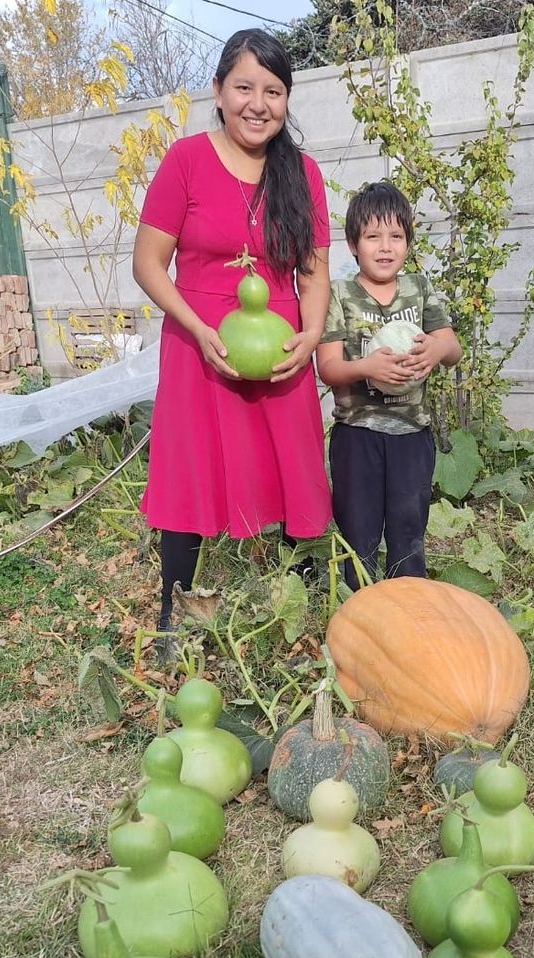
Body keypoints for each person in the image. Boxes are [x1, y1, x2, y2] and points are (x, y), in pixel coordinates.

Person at [132, 29, 332, 632]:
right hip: (199, 343)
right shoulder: (185, 161)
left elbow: (314, 273)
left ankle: (302, 607)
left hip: (279, 346)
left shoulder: (304, 174)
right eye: (244, 87)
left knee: (292, 464)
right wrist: (198, 329)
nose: (258, 103)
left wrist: (311, 334)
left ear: (287, 100)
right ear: (218, 91)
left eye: (273, 91)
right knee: (189, 472)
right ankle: (175, 617)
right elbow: (147, 263)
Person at [316, 181, 462, 589]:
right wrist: (366, 368)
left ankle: (407, 610)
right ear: (353, 245)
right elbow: (327, 366)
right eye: (373, 236)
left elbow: (453, 347)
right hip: (357, 437)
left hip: (412, 436)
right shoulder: (340, 295)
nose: (385, 247)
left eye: (396, 236)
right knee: (357, 534)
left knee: (408, 531)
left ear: (408, 243)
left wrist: (435, 348)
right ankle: (358, 614)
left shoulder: (420, 288)